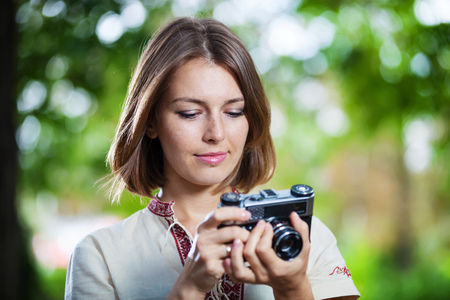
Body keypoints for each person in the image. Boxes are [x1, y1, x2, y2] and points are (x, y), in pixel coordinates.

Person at [65, 17, 360, 300]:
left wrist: (293, 289)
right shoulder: (99, 256)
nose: (216, 133)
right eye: (190, 113)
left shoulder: (305, 236)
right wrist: (189, 286)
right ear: (151, 121)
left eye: (234, 112)